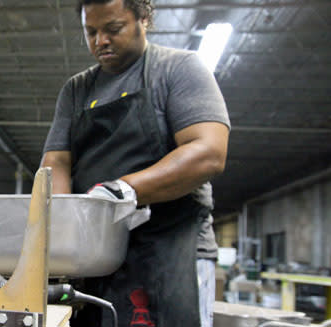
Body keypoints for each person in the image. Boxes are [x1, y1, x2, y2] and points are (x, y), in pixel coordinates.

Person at [40, 0, 230, 326]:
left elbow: (209, 151)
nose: (100, 41)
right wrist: (62, 226)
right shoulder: (76, 90)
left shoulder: (178, 69)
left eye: (113, 29)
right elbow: (56, 160)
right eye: (91, 32)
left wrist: (125, 190)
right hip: (98, 259)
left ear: (144, 18)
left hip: (172, 253)